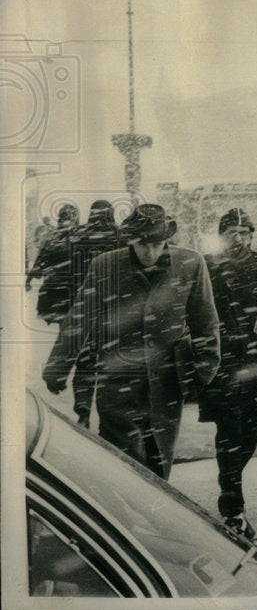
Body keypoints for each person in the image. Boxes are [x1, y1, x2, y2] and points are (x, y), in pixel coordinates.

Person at [43, 204, 220, 479]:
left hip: (167, 382)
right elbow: (80, 319)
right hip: (118, 382)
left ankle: (151, 519)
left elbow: (205, 320)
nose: (150, 252)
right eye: (143, 244)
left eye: (157, 244)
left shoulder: (190, 263)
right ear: (131, 240)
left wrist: (205, 369)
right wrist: (57, 368)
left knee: (160, 464)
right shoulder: (106, 266)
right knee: (123, 466)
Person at [199, 208, 257, 538]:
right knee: (228, 429)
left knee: (252, 431)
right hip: (224, 361)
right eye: (231, 231)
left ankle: (230, 483)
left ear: (252, 234)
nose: (238, 237)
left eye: (244, 231)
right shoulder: (208, 266)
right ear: (221, 235)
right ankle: (232, 500)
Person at [58, 200, 124, 427]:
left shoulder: (78, 236)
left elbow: (66, 273)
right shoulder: (119, 236)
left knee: (85, 362)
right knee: (109, 362)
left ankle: (84, 410)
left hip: (85, 307)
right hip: (113, 309)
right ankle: (109, 416)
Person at [26, 203, 81, 324]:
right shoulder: (80, 236)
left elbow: (41, 260)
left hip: (56, 290)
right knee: (72, 325)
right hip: (73, 289)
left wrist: (29, 279)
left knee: (65, 324)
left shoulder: (54, 238)